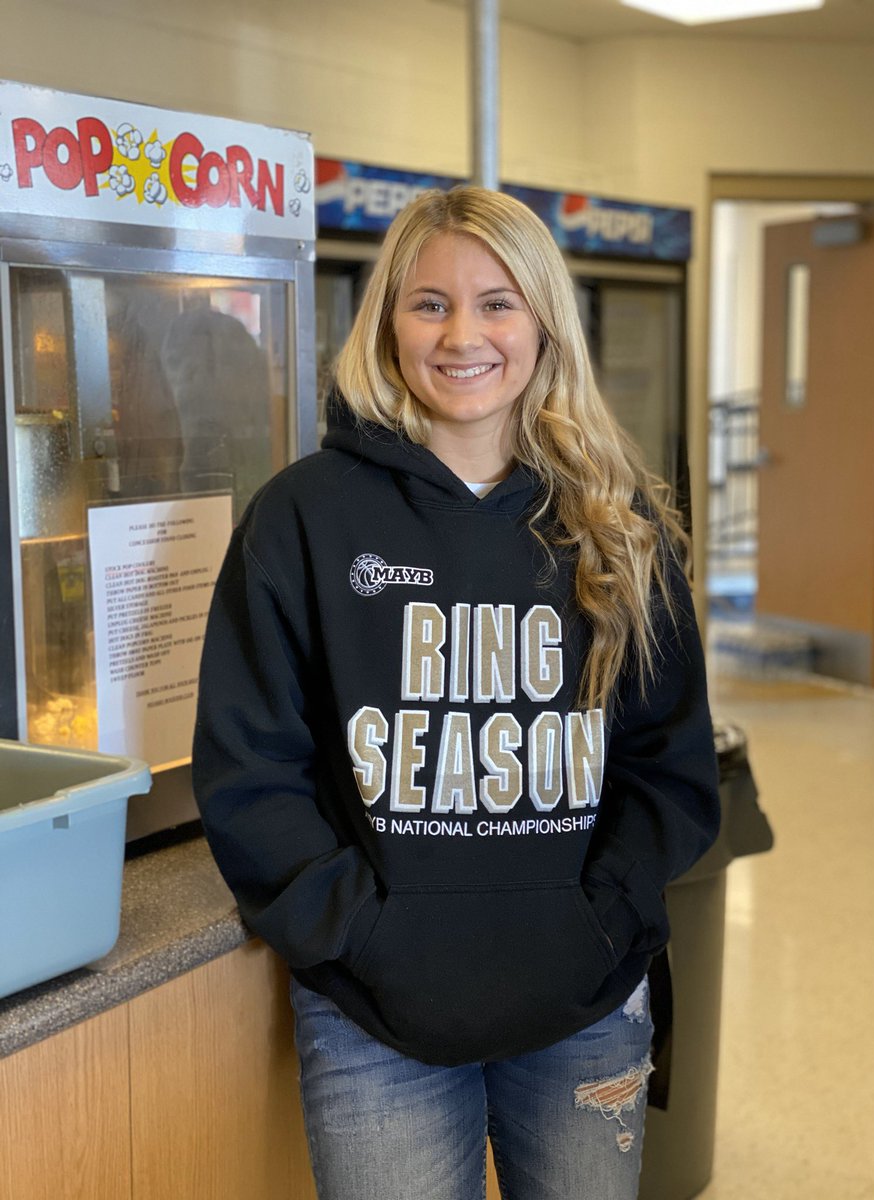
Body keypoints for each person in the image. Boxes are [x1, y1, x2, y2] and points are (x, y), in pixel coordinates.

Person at [192, 186, 720, 1200]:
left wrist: (596, 918)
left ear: (544, 323)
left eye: (498, 302)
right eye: (429, 303)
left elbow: (671, 767)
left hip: (588, 1002)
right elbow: (252, 768)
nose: (462, 334)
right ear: (387, 321)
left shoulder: (620, 524)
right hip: (371, 1020)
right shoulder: (300, 519)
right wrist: (362, 933)